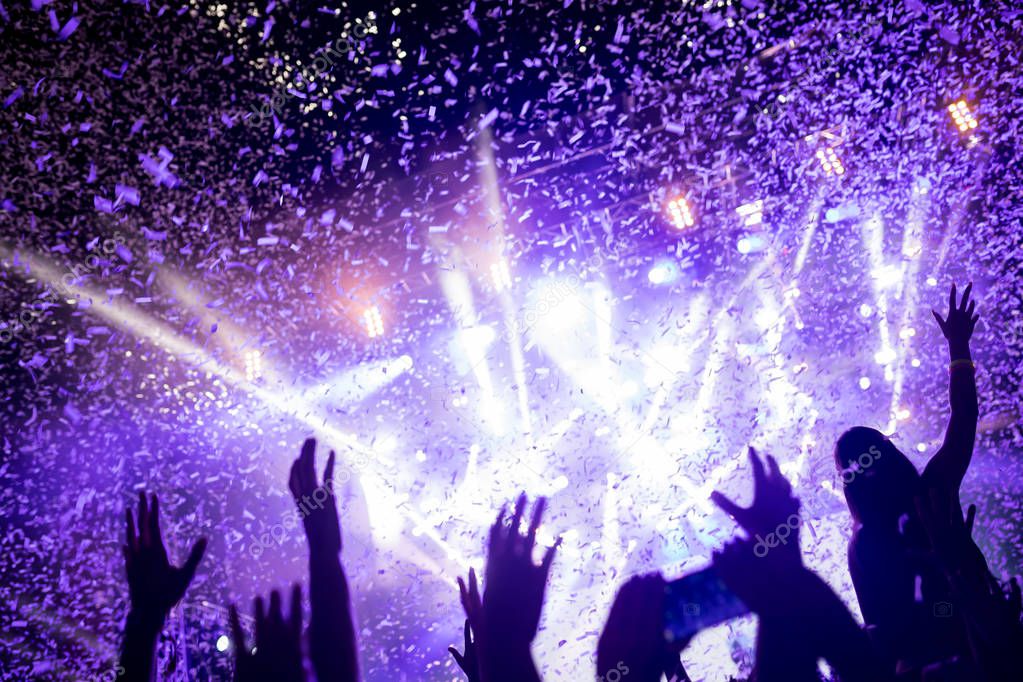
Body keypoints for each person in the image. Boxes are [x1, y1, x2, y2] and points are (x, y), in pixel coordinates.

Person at [835, 283, 980, 671]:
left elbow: (882, 632)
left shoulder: (866, 542)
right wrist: (958, 347)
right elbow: (963, 420)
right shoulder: (930, 493)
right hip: (985, 644)